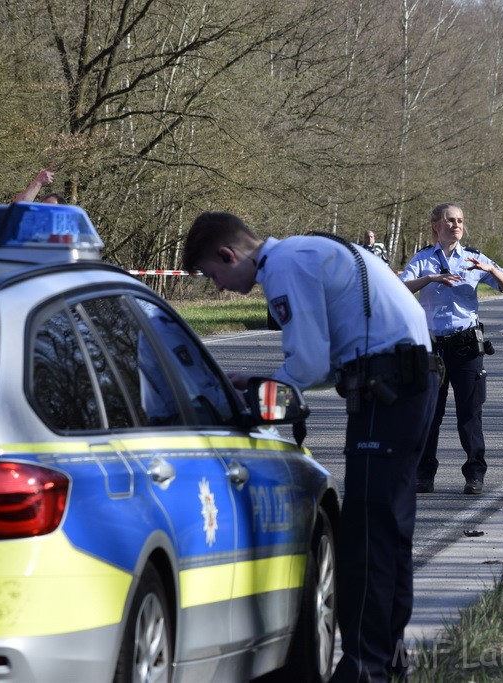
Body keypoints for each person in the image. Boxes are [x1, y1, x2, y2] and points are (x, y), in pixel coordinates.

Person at [181, 212, 439, 682]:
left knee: (364, 536)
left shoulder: (285, 266)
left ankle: (365, 669)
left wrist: (261, 392)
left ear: (228, 254)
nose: (217, 288)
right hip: (406, 382)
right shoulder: (304, 251)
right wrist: (268, 381)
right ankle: (388, 660)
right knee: (388, 530)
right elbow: (320, 360)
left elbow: (308, 360)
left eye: (213, 275)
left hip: (387, 387)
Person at [400, 202, 503, 495]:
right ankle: (424, 475)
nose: (456, 225)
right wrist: (431, 278)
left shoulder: (474, 258)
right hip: (431, 348)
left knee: (470, 414)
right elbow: (399, 288)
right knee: (429, 414)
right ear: (436, 225)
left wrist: (490, 269)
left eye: (460, 220)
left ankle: (475, 474)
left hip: (465, 346)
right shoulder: (423, 259)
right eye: (449, 220)